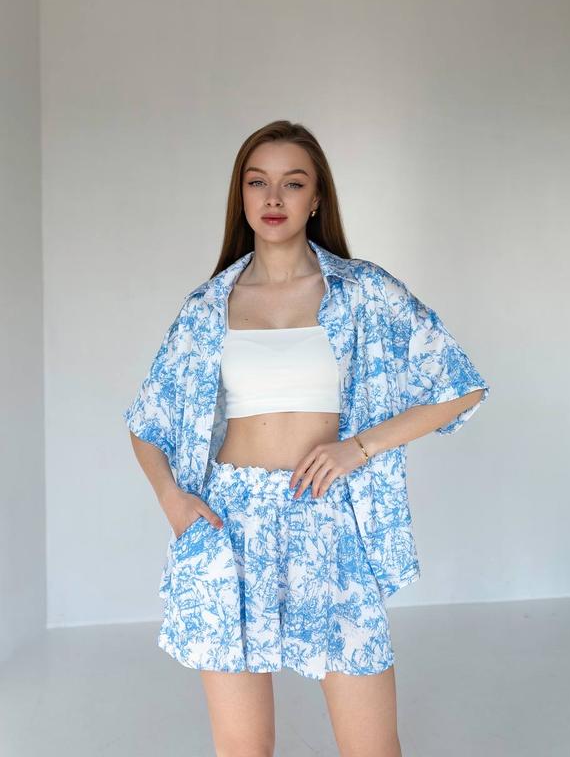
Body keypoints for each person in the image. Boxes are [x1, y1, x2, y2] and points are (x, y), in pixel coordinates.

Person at [123, 119, 490, 757]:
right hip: (230, 526)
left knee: (372, 747)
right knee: (243, 750)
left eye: (292, 183)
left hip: (330, 518)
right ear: (241, 195)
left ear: (316, 198)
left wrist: (359, 447)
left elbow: (461, 388)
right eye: (257, 182)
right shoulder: (208, 306)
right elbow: (146, 423)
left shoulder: (362, 291)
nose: (273, 198)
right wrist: (172, 500)